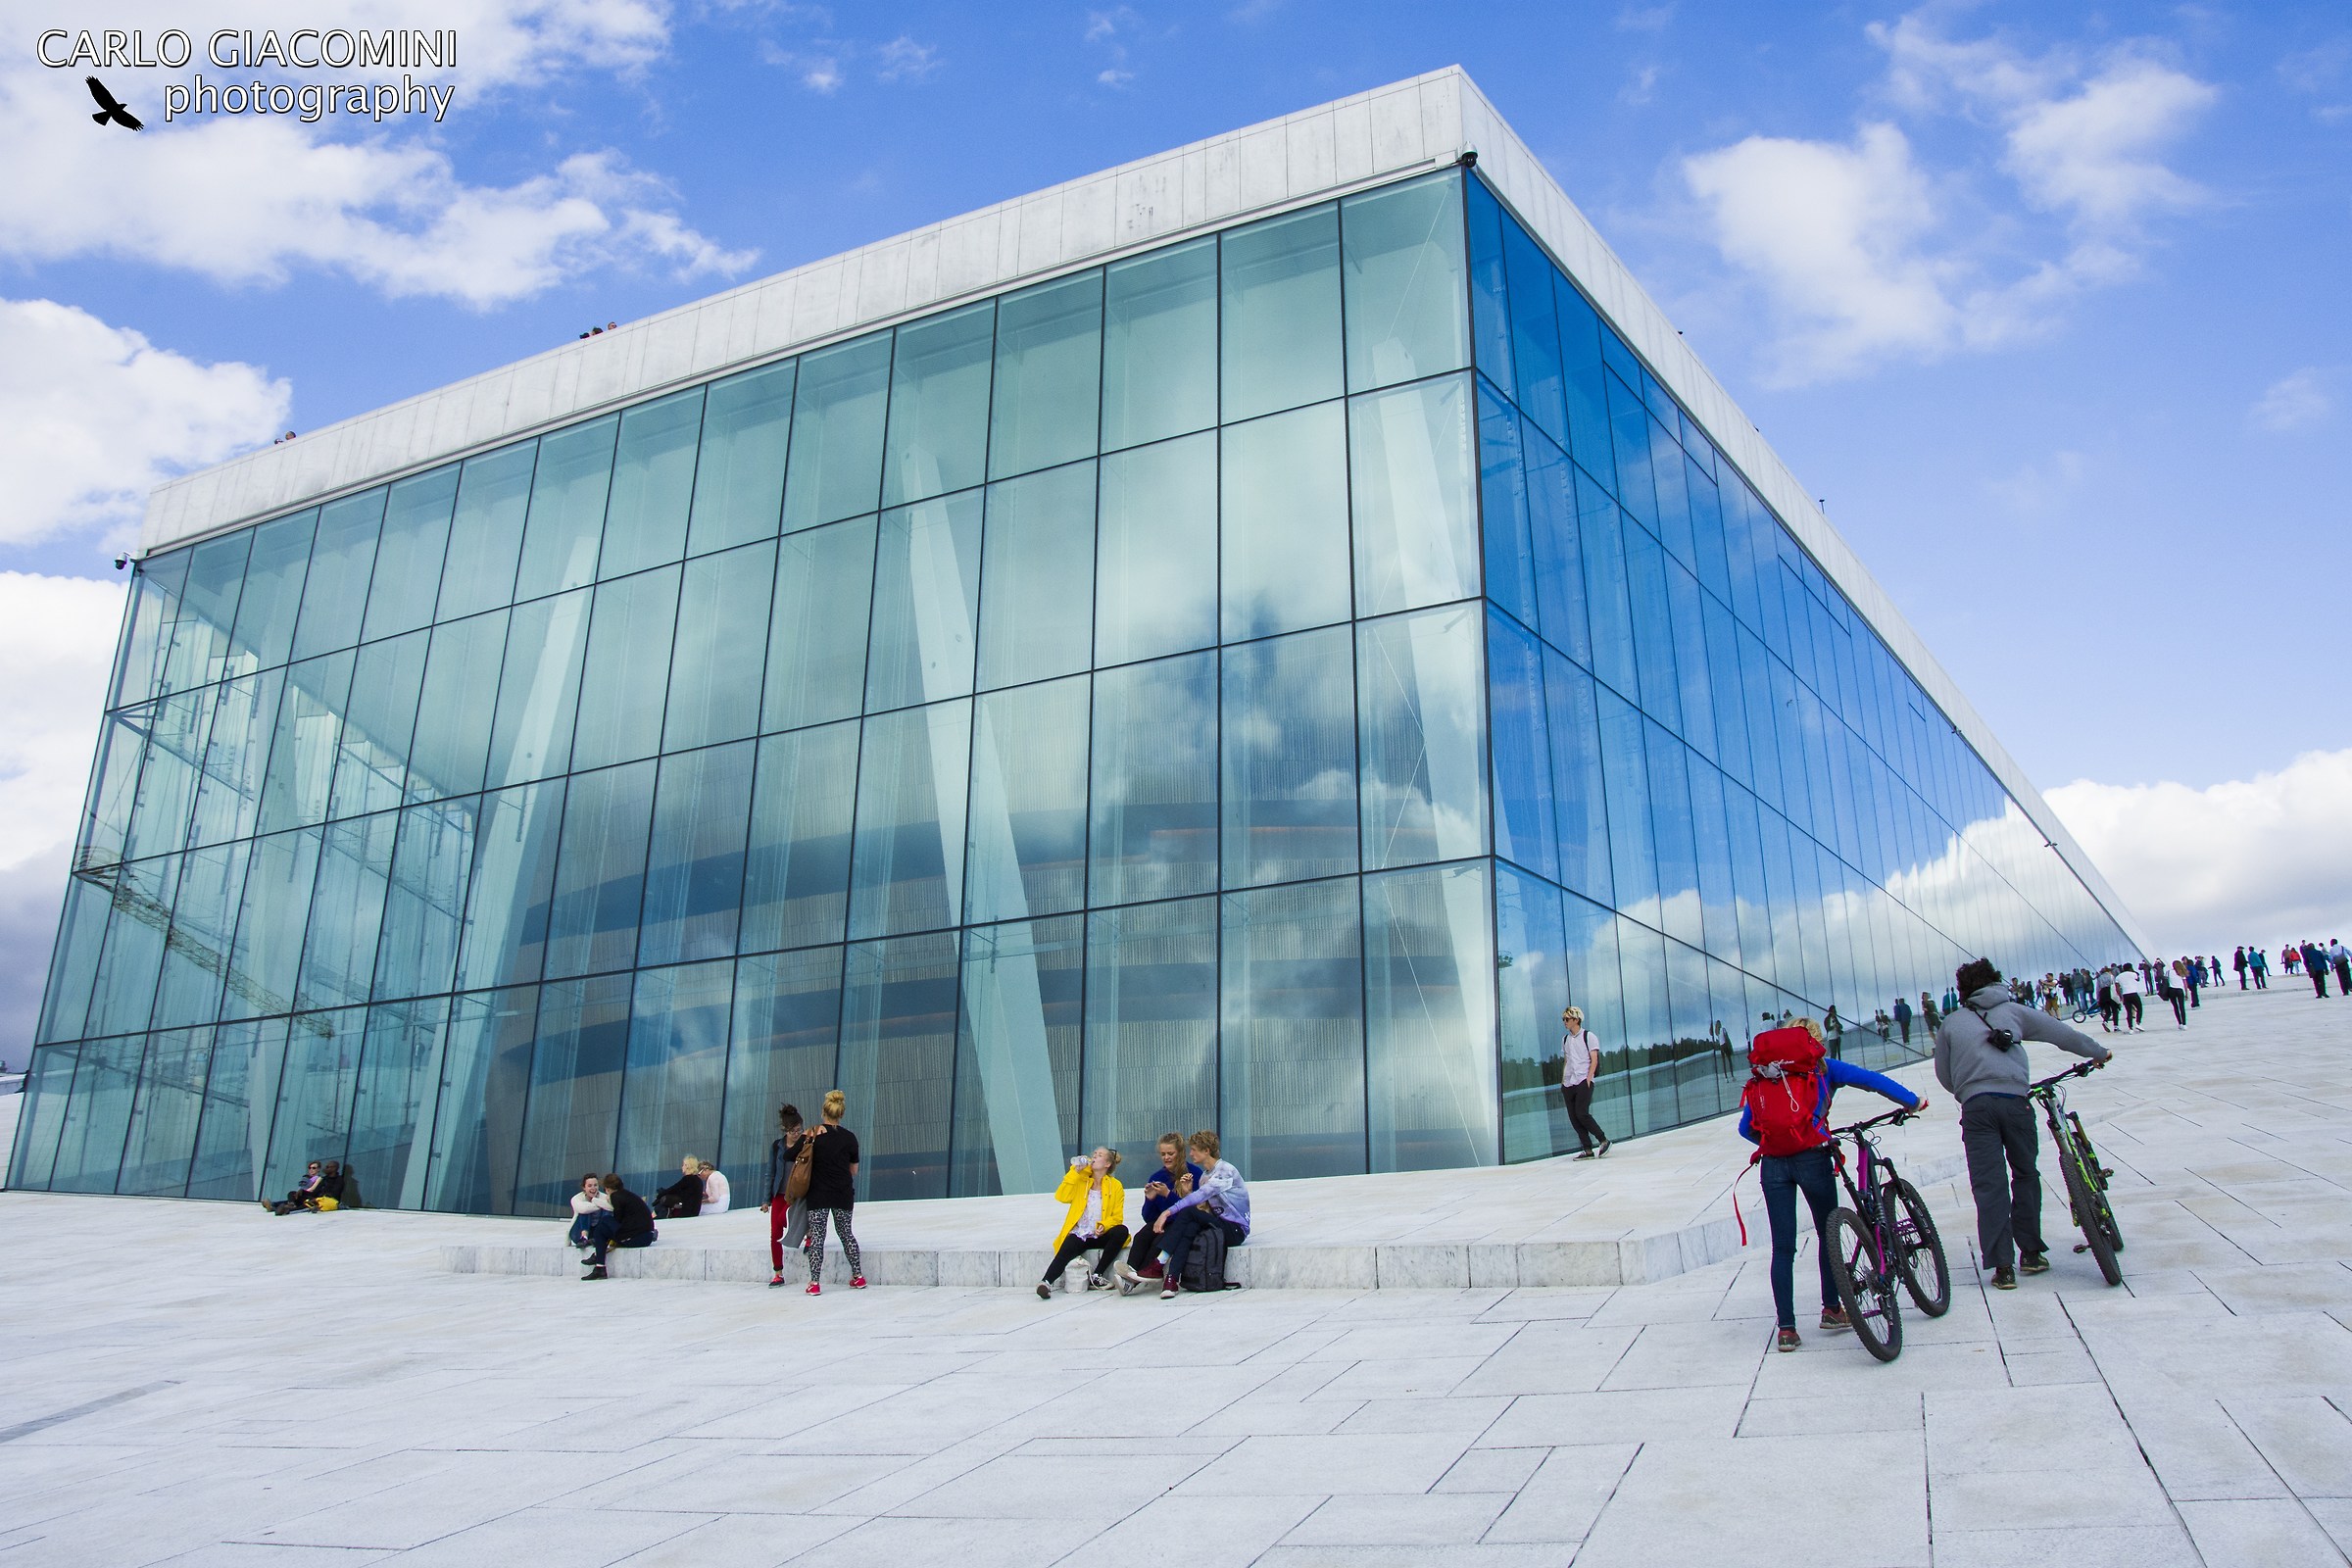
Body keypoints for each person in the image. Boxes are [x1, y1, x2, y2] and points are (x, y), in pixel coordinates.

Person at [1737, 1018, 1926, 1351]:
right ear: (1814, 1041)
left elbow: (1745, 1129)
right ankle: (1832, 1309)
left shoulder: (1766, 1075)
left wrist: (1774, 1141)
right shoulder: (1825, 1068)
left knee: (1782, 1247)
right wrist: (1911, 1101)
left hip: (1773, 1166)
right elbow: (1873, 1082)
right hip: (1812, 1160)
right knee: (1828, 1232)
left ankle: (1787, 1330)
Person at [1933, 958, 2113, 1292]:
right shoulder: (2014, 1011)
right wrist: (2098, 1052)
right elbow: (2063, 1035)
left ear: (1963, 991)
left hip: (1976, 1108)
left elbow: (1944, 1075)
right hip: (2015, 1102)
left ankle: (2003, 1268)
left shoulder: (1952, 1023)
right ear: (1995, 981)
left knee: (1989, 1184)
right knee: (2025, 1173)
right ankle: (2030, 1252)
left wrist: (1968, 1089)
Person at [1151, 1130, 1250, 1298]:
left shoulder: (1225, 1171)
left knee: (1188, 1213)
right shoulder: (1204, 1176)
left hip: (1235, 1229)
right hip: (1218, 1225)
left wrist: (1167, 1212)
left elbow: (1201, 1196)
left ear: (1206, 1151)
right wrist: (1188, 1193)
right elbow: (1202, 1207)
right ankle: (1171, 1280)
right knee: (1189, 1227)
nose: (1190, 1153)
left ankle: (1158, 1263)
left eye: (1194, 1149)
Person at [1114, 1134, 1203, 1293]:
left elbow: (1191, 1211)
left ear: (1180, 1153)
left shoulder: (1194, 1174)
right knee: (1143, 1235)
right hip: (1162, 1222)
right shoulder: (1157, 1177)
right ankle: (1131, 1272)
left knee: (1160, 1239)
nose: (1166, 1158)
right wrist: (1150, 1199)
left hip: (1182, 1224)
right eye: (1163, 1154)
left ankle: (1132, 1280)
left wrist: (1168, 1195)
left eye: (1171, 1154)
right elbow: (1148, 1217)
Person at [1038, 1147, 1129, 1298]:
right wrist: (1075, 1172)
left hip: (1100, 1234)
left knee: (1121, 1231)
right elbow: (1062, 1196)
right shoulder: (1081, 1179)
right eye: (1094, 1154)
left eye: (1099, 1155)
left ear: (1107, 1164)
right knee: (1066, 1248)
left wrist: (1104, 1225)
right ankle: (1045, 1282)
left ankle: (1097, 1275)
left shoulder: (1116, 1186)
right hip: (1081, 1233)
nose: (1094, 1157)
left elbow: (1117, 1217)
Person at [804, 1090, 866, 1295]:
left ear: (823, 1112)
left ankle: (814, 1283)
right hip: (842, 1193)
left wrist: (808, 1136)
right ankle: (858, 1276)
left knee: (818, 1238)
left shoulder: (813, 1134)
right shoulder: (849, 1138)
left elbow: (789, 1155)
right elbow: (854, 1170)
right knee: (846, 1234)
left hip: (818, 1194)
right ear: (841, 1114)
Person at [762, 1104, 812, 1288]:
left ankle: (808, 1231)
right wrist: (766, 1200)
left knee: (785, 1219)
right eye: (792, 1131)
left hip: (797, 1193)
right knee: (775, 1232)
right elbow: (770, 1173)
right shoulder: (777, 1146)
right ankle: (778, 1273)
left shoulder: (806, 1143)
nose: (796, 1134)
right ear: (785, 1130)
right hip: (779, 1193)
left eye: (799, 1130)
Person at [1558, 1005, 1612, 1159]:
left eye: (1567, 1019)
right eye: (1563, 1019)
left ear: (1576, 1019)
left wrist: (1588, 1079)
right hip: (1569, 1083)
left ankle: (1603, 1140)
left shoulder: (1589, 1036)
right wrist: (1563, 1081)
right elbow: (1567, 1060)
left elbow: (1594, 1059)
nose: (1564, 1022)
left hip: (1583, 1079)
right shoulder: (1565, 1039)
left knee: (1582, 1113)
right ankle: (1587, 1150)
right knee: (1574, 1117)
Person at [582, 1172, 655, 1280]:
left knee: (604, 1222)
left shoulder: (616, 1197)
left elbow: (618, 1220)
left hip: (636, 1238)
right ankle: (599, 1262)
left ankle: (599, 1264)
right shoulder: (627, 1195)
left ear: (607, 1189)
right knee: (604, 1226)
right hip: (647, 1236)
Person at [566, 1173, 610, 1252]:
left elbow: (611, 1208)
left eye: (595, 1185)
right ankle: (584, 1238)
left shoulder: (604, 1197)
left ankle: (599, 1237)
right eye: (590, 1186)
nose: (593, 1188)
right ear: (584, 1188)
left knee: (607, 1212)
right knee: (585, 1210)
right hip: (578, 1233)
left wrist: (595, 1201)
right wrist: (600, 1204)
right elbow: (583, 1209)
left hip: (595, 1233)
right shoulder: (577, 1198)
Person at [653, 1155, 707, 1219]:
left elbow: (673, 1189)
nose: (682, 1167)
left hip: (686, 1212)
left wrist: (660, 1195)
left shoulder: (688, 1179)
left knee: (661, 1205)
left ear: (687, 1166)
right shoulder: (697, 1180)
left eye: (683, 1165)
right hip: (694, 1211)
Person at [2113, 961, 2143, 1031]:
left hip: (2125, 995)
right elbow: (2138, 979)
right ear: (2130, 968)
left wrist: (2120, 997)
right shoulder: (2133, 974)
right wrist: (2133, 971)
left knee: (2128, 1011)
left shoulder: (2118, 977)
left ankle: (2130, 1028)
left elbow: (2117, 988)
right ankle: (2138, 1023)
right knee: (2139, 1008)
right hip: (2134, 993)